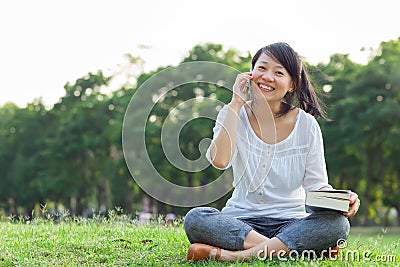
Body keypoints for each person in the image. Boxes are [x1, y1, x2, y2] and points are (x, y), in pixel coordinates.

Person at [183, 42, 360, 262]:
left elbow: (317, 185)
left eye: (278, 72)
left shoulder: (306, 125)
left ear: (292, 85)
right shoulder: (232, 113)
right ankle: (292, 249)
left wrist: (342, 199)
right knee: (196, 218)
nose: (267, 77)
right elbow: (220, 161)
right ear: (251, 72)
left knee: (338, 225)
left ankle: (235, 256)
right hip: (241, 220)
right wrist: (236, 102)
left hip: (292, 220)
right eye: (262, 68)